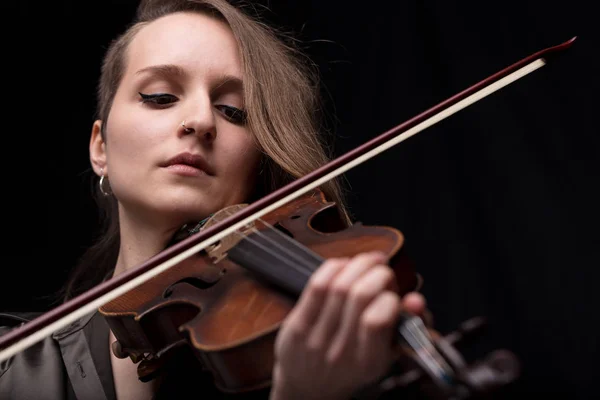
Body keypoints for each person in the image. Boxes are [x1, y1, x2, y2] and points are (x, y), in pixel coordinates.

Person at [0, 0, 427, 399]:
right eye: (160, 97)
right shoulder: (14, 371)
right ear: (100, 148)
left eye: (233, 111)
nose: (202, 120)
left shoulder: (310, 351)